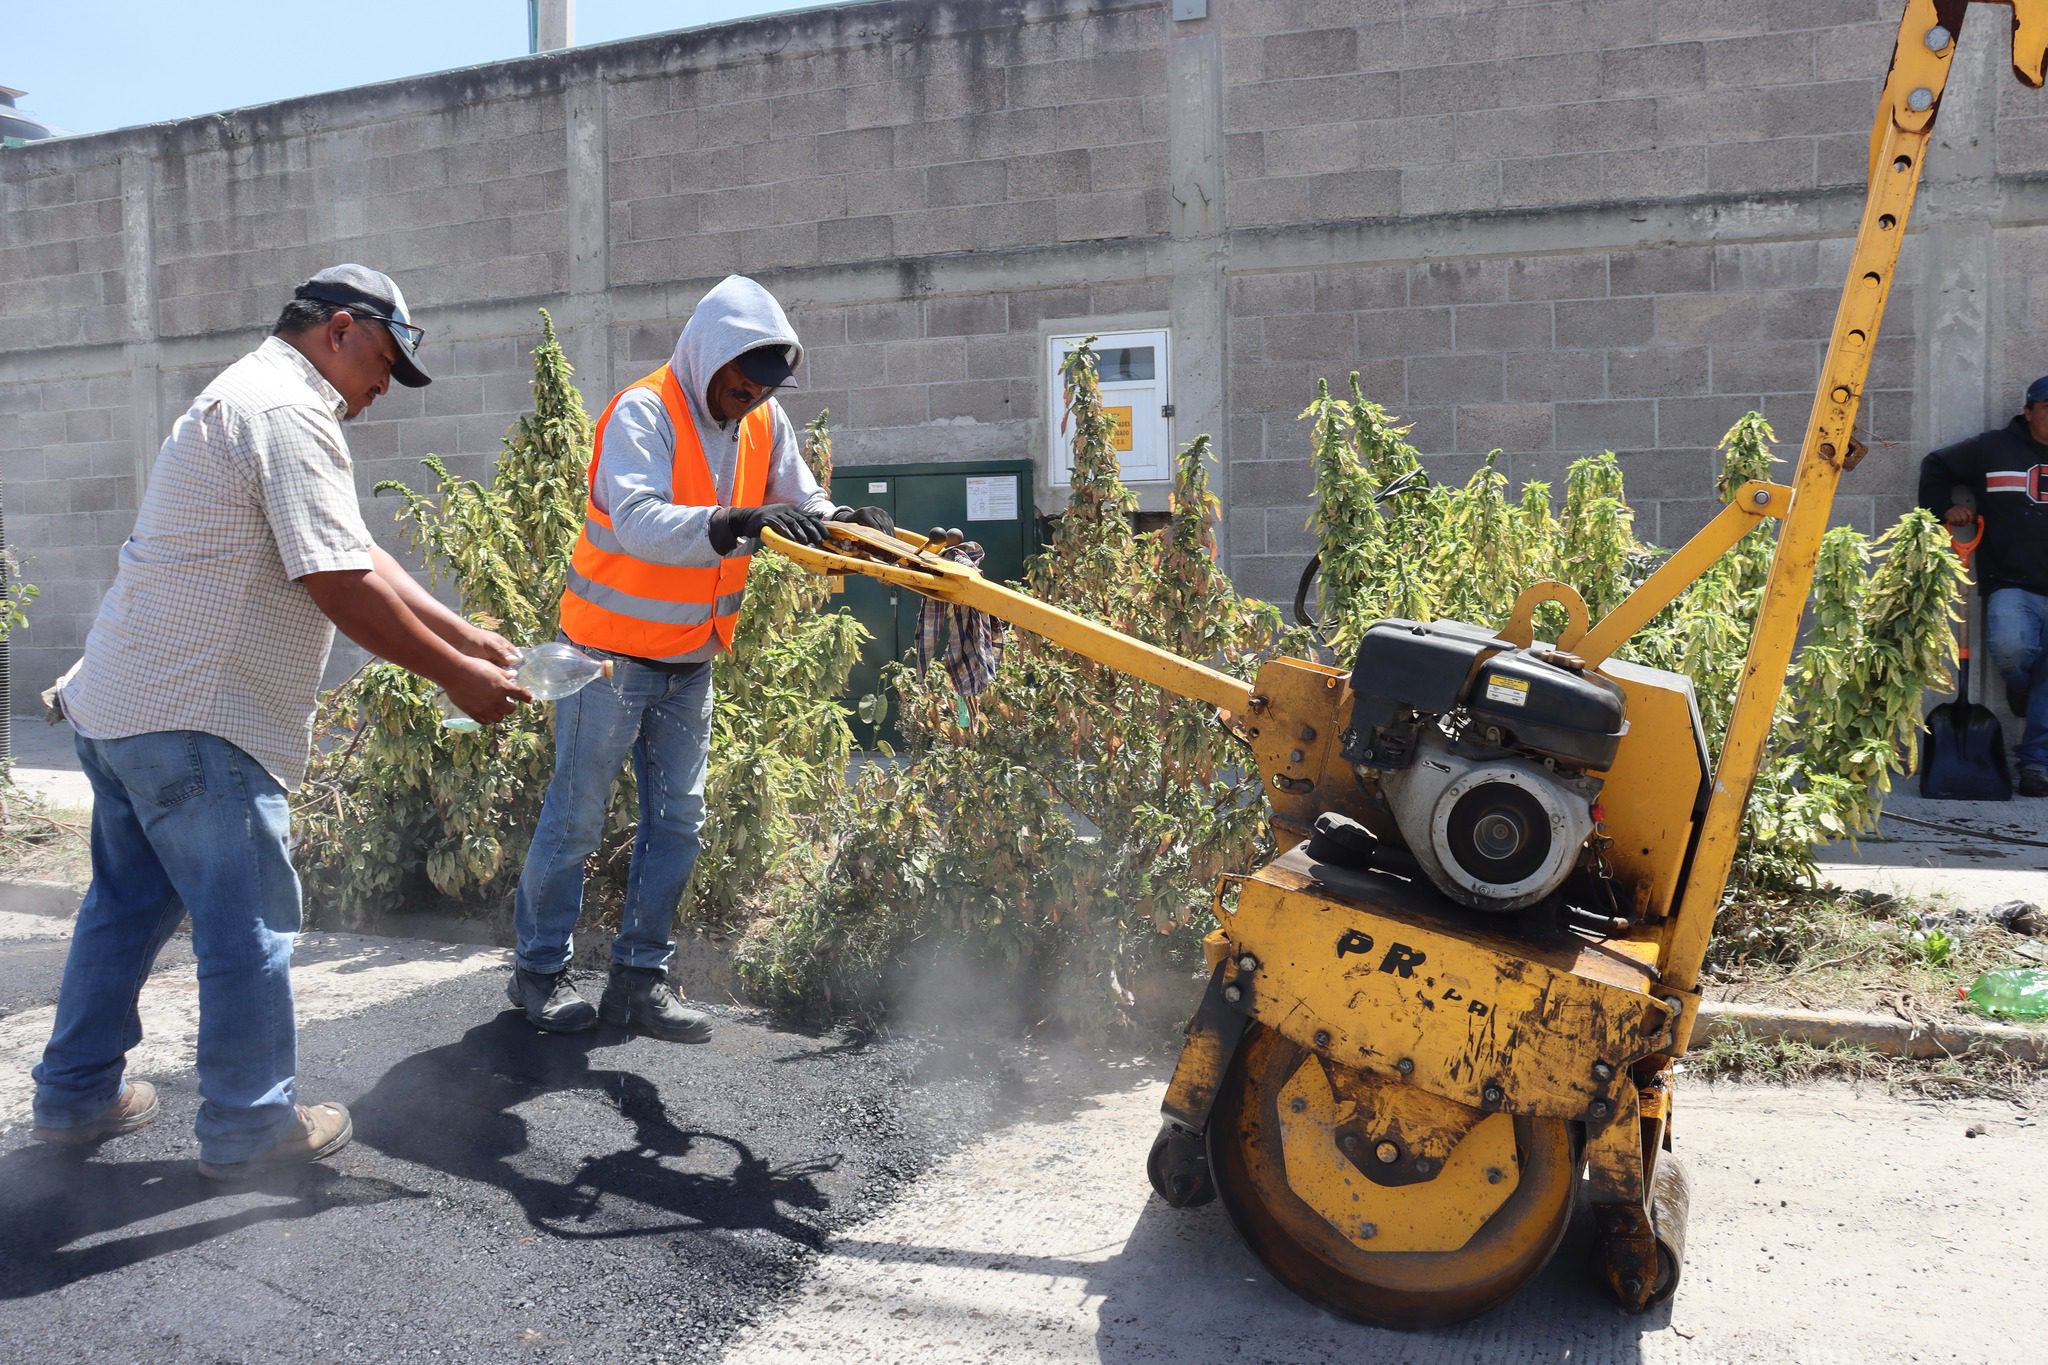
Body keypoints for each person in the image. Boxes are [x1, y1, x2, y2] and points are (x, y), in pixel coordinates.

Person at [30, 265, 532, 1178]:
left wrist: (466, 636)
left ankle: (73, 1097)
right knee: (248, 927)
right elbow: (335, 583)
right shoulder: (285, 409)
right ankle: (251, 1125)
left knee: (122, 911)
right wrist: (457, 677)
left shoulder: (256, 398)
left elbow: (353, 547)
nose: (384, 388)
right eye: (383, 362)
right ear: (339, 329)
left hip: (122, 707)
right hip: (196, 720)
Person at [507, 274, 890, 1041]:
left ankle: (640, 981)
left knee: (677, 822)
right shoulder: (644, 411)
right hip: (605, 659)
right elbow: (644, 521)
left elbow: (800, 500)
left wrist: (844, 522)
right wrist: (740, 520)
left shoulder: (762, 419)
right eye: (738, 384)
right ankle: (539, 975)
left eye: (757, 391)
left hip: (689, 658)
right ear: (707, 354)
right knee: (576, 820)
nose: (745, 400)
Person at [1919, 375, 2048, 797]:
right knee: (2012, 649)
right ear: (2028, 413)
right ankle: (2019, 684)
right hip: (2011, 582)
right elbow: (1936, 465)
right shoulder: (1993, 449)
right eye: (2047, 409)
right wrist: (1944, 509)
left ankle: (2036, 767)